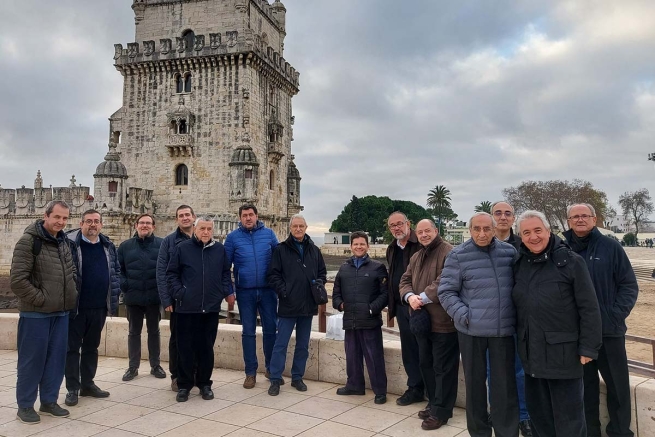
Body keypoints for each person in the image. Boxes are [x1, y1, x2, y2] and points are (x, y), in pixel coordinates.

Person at [513, 210, 602, 437]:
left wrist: (588, 347)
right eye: (526, 232)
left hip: (564, 355)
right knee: (540, 418)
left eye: (537, 230)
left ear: (548, 230)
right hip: (531, 356)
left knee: (569, 421)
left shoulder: (571, 262)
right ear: (521, 237)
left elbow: (589, 308)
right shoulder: (519, 263)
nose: (533, 237)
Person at [438, 212, 518, 437]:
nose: (482, 233)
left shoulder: (509, 253)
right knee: (475, 388)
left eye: (486, 229)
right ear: (470, 230)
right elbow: (446, 291)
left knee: (505, 388)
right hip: (471, 332)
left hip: (502, 332)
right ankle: (480, 432)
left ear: (494, 229)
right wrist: (465, 315)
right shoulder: (458, 255)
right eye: (477, 229)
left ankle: (507, 432)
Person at [563, 203, 638, 437]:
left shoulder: (611, 247)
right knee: (584, 389)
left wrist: (615, 315)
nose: (580, 220)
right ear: (568, 221)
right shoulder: (562, 249)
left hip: (609, 331)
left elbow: (628, 285)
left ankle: (619, 432)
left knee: (617, 386)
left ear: (595, 219)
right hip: (577, 333)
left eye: (585, 215)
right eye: (575, 216)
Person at [10, 200, 77, 424]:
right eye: (57, 217)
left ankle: (49, 401)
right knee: (31, 362)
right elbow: (18, 281)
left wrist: (71, 295)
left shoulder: (64, 242)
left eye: (65, 218)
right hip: (35, 314)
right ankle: (25, 406)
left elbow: (71, 273)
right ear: (46, 215)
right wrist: (42, 300)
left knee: (56, 360)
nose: (61, 222)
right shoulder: (28, 241)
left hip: (61, 313)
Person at [166, 216, 235, 402]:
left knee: (206, 349)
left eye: (209, 229)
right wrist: (181, 293)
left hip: (210, 309)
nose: (205, 232)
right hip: (186, 308)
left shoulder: (219, 250)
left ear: (213, 230)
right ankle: (184, 385)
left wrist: (222, 292)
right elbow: (172, 274)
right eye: (202, 228)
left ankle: (205, 384)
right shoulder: (182, 248)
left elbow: (225, 274)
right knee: (185, 349)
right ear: (195, 229)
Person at [400, 219, 457, 430]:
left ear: (436, 231)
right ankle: (433, 404)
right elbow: (404, 280)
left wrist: (421, 298)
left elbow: (445, 280)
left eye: (428, 231)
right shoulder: (416, 256)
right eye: (420, 232)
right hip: (422, 323)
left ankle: (441, 412)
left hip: (444, 323)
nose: (424, 235)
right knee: (426, 365)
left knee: (443, 369)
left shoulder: (449, 252)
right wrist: (409, 297)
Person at [64, 210, 120, 407]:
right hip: (76, 307)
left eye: (96, 221)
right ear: (81, 224)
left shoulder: (108, 246)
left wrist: (114, 295)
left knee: (91, 348)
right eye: (89, 221)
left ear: (101, 225)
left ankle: (87, 384)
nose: (93, 225)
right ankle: (72, 388)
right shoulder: (71, 244)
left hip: (99, 307)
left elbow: (115, 271)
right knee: (72, 349)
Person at [267, 215, 327, 396]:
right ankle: (275, 378)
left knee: (302, 344)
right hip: (288, 304)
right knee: (280, 344)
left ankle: (297, 377)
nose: (298, 229)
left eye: (301, 226)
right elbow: (273, 275)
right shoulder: (281, 250)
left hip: (307, 305)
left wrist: (318, 284)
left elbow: (322, 272)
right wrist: (284, 291)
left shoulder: (314, 250)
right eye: (295, 226)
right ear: (290, 228)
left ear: (306, 227)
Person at [224, 204, 279, 388]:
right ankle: (250, 372)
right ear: (240, 218)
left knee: (271, 330)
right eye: (244, 215)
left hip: (268, 291)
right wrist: (229, 291)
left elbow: (279, 262)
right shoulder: (232, 238)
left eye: (251, 215)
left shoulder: (269, 235)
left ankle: (271, 369)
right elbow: (225, 268)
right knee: (248, 332)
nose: (248, 218)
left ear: (257, 216)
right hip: (245, 291)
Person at [490, 201, 532, 436]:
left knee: (519, 371)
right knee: (490, 372)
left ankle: (524, 415)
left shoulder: (523, 245)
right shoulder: (480, 244)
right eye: (498, 213)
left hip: (517, 322)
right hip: (488, 324)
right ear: (491, 217)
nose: (503, 217)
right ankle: (495, 411)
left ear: (513, 218)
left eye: (507, 213)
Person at [332, 231, 388, 404]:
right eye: (355, 244)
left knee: (374, 357)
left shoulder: (378, 267)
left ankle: (380, 391)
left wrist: (372, 309)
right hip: (350, 320)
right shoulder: (343, 268)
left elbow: (385, 294)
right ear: (351, 247)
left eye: (362, 244)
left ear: (368, 246)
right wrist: (340, 305)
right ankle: (354, 385)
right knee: (352, 355)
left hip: (370, 321)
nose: (358, 247)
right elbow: (336, 293)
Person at [118, 213, 165, 381]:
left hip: (154, 297)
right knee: (133, 333)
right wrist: (125, 285)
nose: (144, 226)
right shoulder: (125, 247)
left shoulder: (162, 245)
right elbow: (119, 270)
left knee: (154, 332)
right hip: (133, 297)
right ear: (136, 225)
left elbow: (167, 269)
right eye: (142, 223)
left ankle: (155, 365)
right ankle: (133, 367)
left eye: (148, 223)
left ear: (153, 226)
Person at [385, 211, 424, 406]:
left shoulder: (421, 244)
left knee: (425, 349)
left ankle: (432, 393)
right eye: (393, 226)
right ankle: (414, 388)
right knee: (409, 350)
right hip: (401, 307)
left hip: (420, 307)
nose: (396, 228)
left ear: (409, 223)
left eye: (400, 224)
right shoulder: (392, 248)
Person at [157, 204, 195, 391]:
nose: (185, 218)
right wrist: (166, 299)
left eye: (187, 214)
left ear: (193, 217)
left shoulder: (202, 238)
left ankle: (194, 374)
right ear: (176, 219)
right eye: (181, 215)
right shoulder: (169, 241)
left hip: (199, 301)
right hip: (178, 300)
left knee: (199, 338)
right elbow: (162, 272)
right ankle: (176, 376)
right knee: (177, 340)